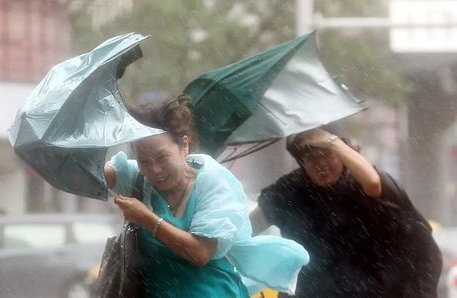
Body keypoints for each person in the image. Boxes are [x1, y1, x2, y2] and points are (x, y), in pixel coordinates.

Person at [104, 94, 309, 297]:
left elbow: (200, 253)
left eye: (162, 157)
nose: (155, 169)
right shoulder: (139, 179)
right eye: (144, 161)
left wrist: (147, 218)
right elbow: (88, 175)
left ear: (184, 146)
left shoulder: (212, 182)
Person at [250, 128, 442, 298]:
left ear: (343, 153)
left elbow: (373, 183)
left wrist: (331, 141)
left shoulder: (360, 181)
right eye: (310, 157)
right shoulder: (290, 189)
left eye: (326, 154)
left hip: (379, 286)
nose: (320, 164)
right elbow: (249, 227)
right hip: (312, 289)